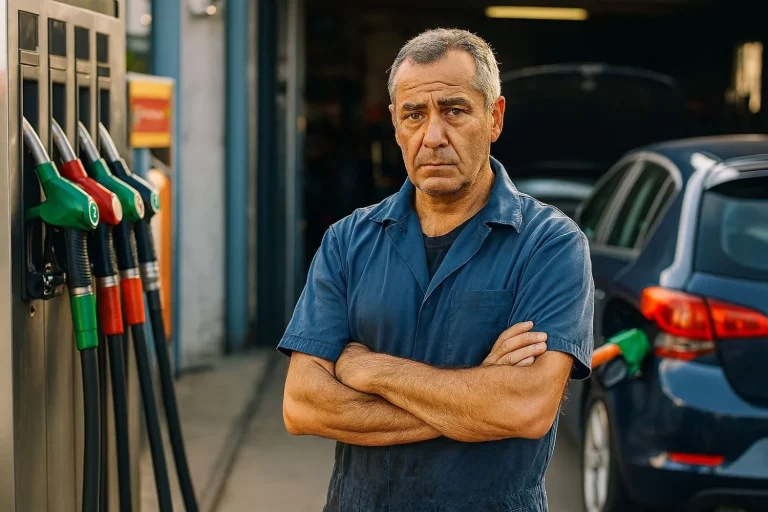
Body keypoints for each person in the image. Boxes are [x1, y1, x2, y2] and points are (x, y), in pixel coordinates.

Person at [278, 28, 594, 512]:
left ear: (494, 117)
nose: (432, 137)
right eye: (414, 115)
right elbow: (303, 405)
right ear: (395, 124)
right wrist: (476, 400)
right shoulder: (347, 241)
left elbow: (526, 407)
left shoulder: (550, 245)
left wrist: (369, 368)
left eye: (454, 111)